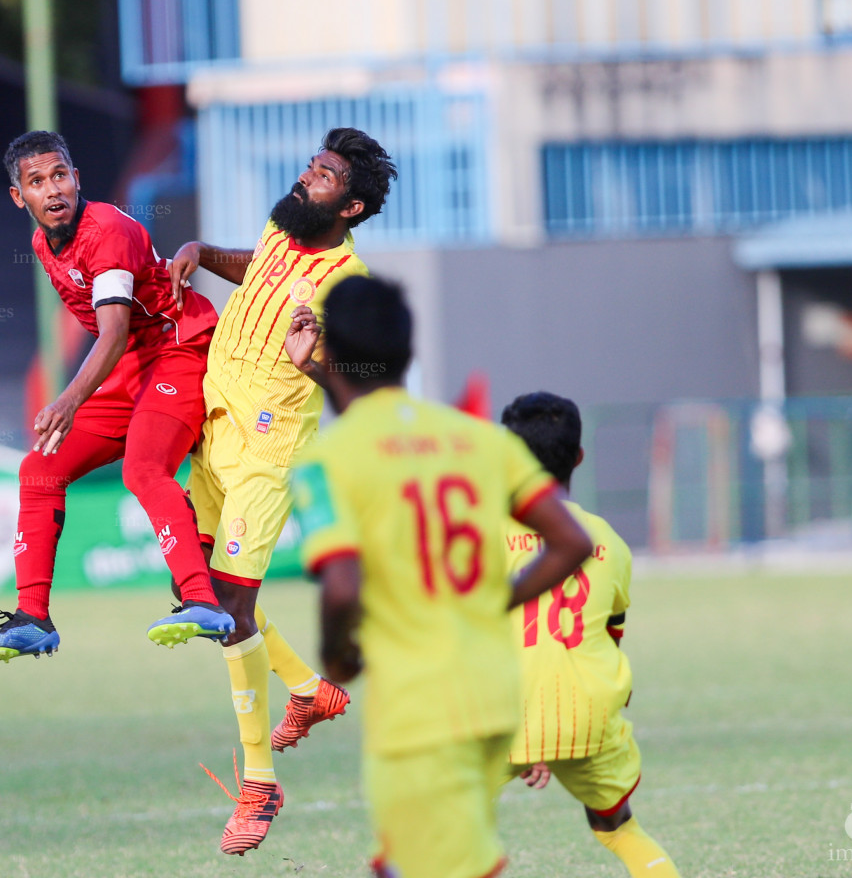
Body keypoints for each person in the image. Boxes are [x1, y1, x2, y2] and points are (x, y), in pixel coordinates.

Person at [291, 275, 594, 878]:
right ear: (408, 351)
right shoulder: (478, 439)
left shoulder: (325, 460)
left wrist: (336, 661)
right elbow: (570, 540)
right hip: (492, 697)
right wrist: (494, 598)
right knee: (408, 862)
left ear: (332, 354)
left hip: (419, 714)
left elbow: (344, 584)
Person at [168, 127, 390, 854]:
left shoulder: (346, 282)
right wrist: (204, 255)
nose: (306, 178)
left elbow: (363, 379)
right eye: (310, 166)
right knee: (204, 592)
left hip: (268, 447)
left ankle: (258, 784)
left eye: (323, 176)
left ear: (351, 207)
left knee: (226, 607)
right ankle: (307, 689)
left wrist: (316, 356)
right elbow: (256, 267)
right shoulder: (281, 224)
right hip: (212, 424)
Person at [0, 131, 234, 663]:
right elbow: (116, 339)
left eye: (60, 175)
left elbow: (111, 333)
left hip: (179, 346)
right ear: (20, 198)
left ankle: (203, 602)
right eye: (37, 182)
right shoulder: (44, 244)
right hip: (134, 361)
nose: (53, 190)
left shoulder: (106, 231)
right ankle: (32, 618)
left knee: (142, 468)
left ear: (77, 178)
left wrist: (67, 400)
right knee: (38, 470)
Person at [499, 392, 682, 878]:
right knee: (617, 827)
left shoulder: (479, 536)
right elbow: (607, 637)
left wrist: (526, 739)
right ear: (578, 457)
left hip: (497, 714)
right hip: (588, 716)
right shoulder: (610, 542)